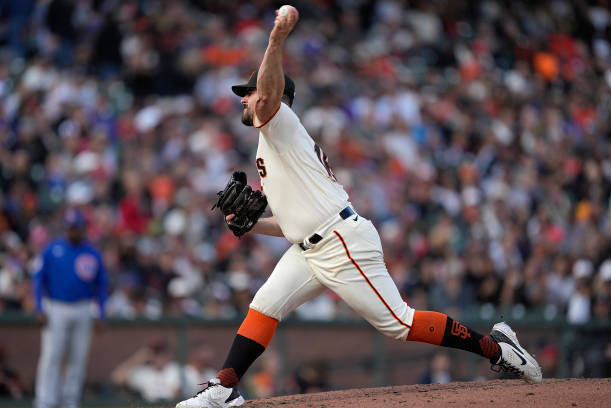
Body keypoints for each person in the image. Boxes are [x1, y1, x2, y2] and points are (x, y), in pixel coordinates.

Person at [176, 6, 541, 408]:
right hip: (311, 245)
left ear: (277, 98)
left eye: (247, 92)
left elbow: (266, 95)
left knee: (400, 324)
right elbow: (292, 223)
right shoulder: (275, 146)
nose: (244, 99)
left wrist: (275, 40)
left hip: (340, 242)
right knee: (265, 304)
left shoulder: (279, 123)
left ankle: (501, 350)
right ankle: (224, 388)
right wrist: (252, 225)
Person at [33, 208, 108, 408]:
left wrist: (101, 312)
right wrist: (39, 307)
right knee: (52, 355)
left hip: (83, 307)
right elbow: (39, 279)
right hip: (55, 306)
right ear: (65, 228)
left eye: (76, 228)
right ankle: (45, 400)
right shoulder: (52, 249)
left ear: (82, 228)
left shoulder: (92, 252)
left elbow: (101, 284)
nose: (73, 231)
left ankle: (70, 400)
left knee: (78, 357)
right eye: (70, 228)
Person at [110, 336, 181, 403]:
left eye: (161, 351)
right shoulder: (144, 373)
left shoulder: (176, 369)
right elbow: (117, 378)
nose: (159, 356)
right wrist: (139, 358)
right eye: (155, 352)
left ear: (168, 353)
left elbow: (177, 393)